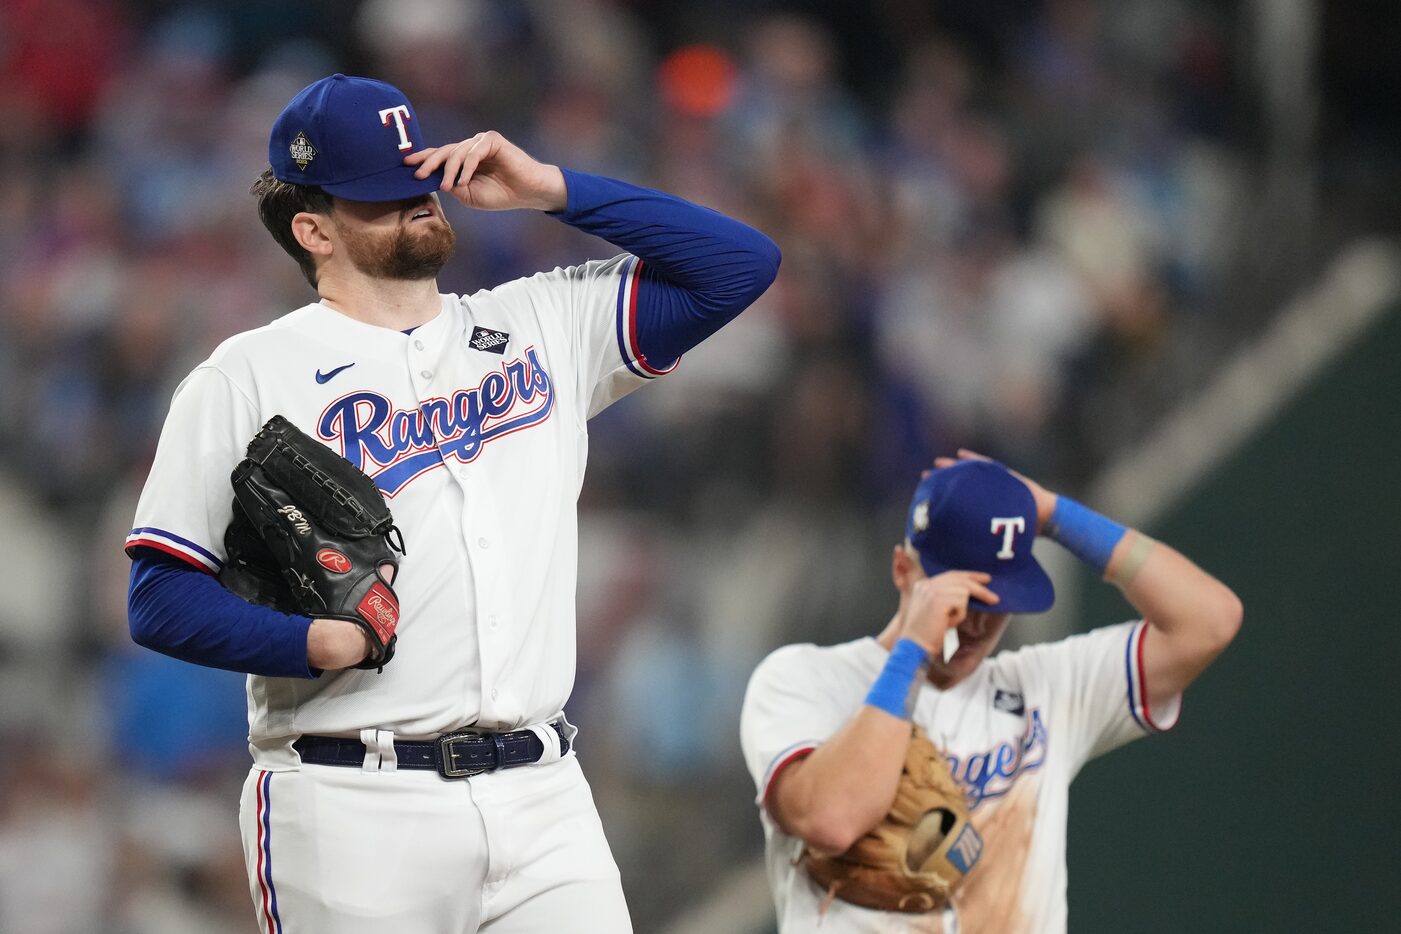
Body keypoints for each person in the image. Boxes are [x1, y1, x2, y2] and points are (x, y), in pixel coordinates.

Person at [124, 74, 779, 933]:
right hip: (351, 802)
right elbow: (158, 597)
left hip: (544, 795)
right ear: (313, 228)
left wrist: (554, 189)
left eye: (420, 178)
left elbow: (738, 267)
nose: (419, 201)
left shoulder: (542, 322)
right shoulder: (244, 377)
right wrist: (309, 640)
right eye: (384, 195)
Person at [739, 452, 1242, 932]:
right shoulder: (804, 679)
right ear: (902, 571)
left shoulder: (1046, 686)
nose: (976, 622)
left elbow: (1209, 621)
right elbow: (831, 819)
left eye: (997, 602)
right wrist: (913, 650)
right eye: (966, 595)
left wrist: (1054, 514)